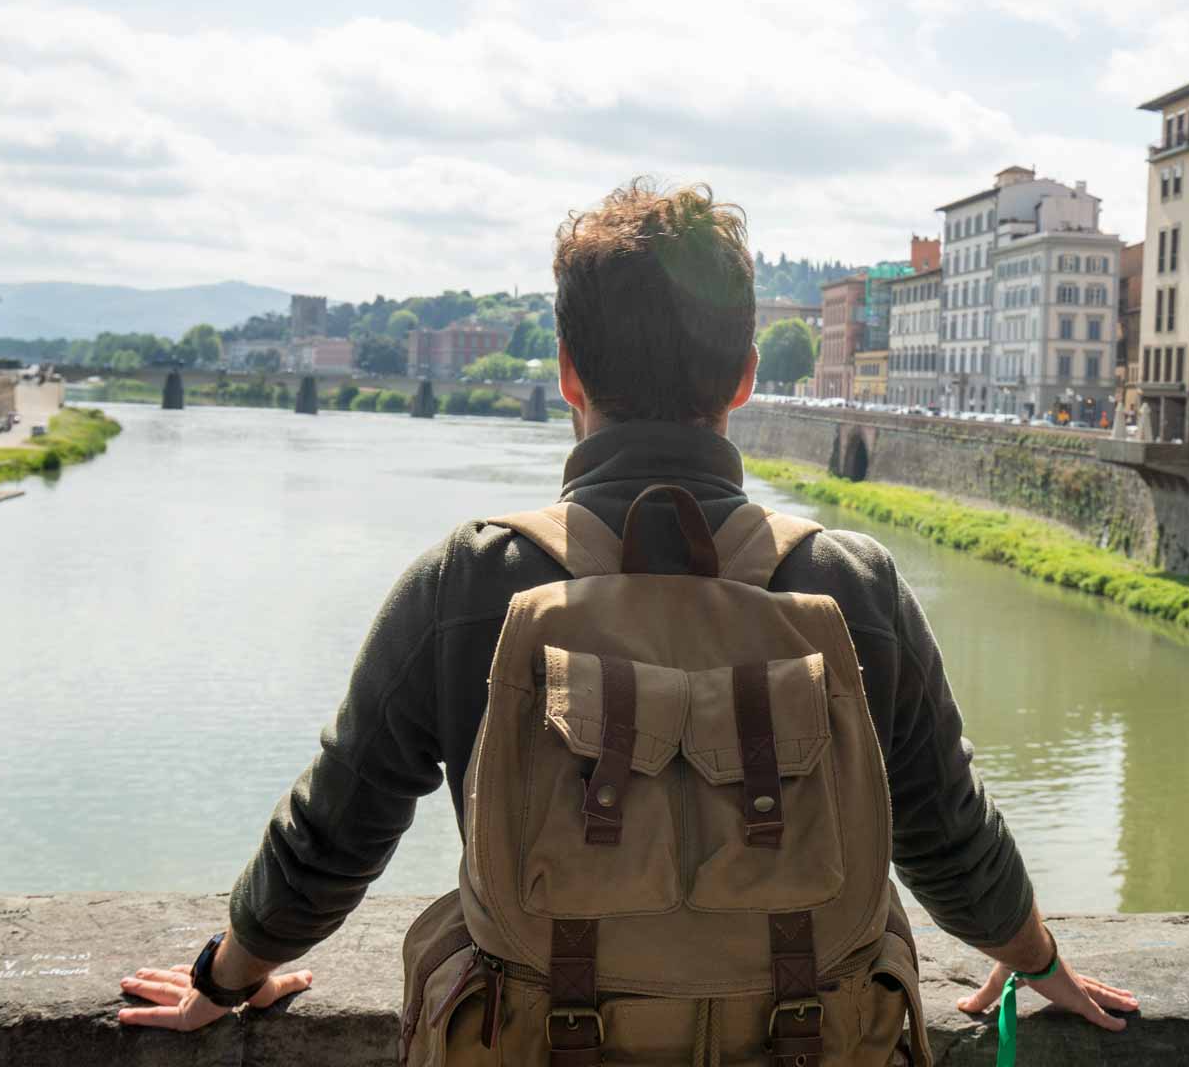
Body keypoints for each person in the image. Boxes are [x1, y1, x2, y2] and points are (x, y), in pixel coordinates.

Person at [117, 180, 1137, 1054]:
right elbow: (945, 831)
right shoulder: (850, 581)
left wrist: (230, 969)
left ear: (568, 373)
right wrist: (1034, 956)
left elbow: (335, 832)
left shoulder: (469, 580)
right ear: (744, 378)